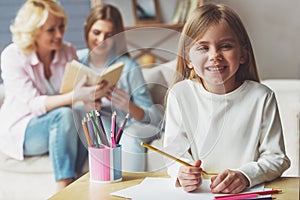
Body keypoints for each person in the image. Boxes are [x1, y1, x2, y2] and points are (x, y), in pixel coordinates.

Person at [163, 3, 290, 194]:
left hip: (247, 195)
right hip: (201, 194)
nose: (215, 56)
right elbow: (173, 153)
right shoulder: (180, 95)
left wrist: (245, 176)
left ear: (243, 54)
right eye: (203, 48)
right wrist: (182, 172)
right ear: (188, 59)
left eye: (226, 46)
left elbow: (277, 158)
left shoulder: (262, 97)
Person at [0, 0, 105, 191]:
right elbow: (33, 105)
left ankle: (83, 179)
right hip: (24, 130)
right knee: (64, 115)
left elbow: (75, 98)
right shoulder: (12, 56)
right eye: (51, 30)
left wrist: (89, 99)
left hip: (61, 129)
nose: (59, 34)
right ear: (33, 31)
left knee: (82, 114)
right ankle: (64, 185)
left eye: (61, 27)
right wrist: (76, 96)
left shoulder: (67, 51)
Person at [77, 4, 163, 172]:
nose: (101, 40)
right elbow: (64, 100)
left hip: (126, 128)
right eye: (96, 32)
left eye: (108, 35)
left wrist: (128, 105)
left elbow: (156, 118)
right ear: (87, 30)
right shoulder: (77, 61)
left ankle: (130, 193)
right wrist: (86, 103)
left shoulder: (129, 67)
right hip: (93, 129)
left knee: (130, 136)